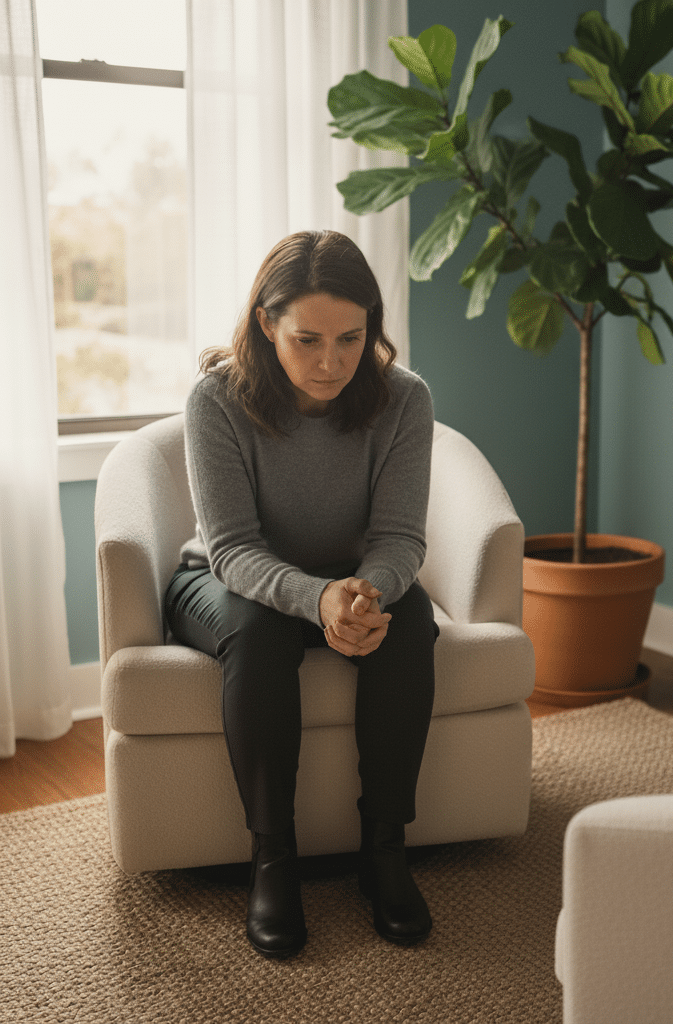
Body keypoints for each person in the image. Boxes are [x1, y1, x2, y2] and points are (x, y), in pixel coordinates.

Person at [164, 230, 437, 959]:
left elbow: (402, 538)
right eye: (307, 339)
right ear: (265, 325)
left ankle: (384, 850)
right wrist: (317, 600)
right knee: (260, 631)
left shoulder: (404, 400)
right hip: (228, 584)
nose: (331, 362)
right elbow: (230, 549)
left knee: (410, 618)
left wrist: (364, 595)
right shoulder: (215, 401)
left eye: (351, 338)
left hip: (347, 584)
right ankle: (272, 858)